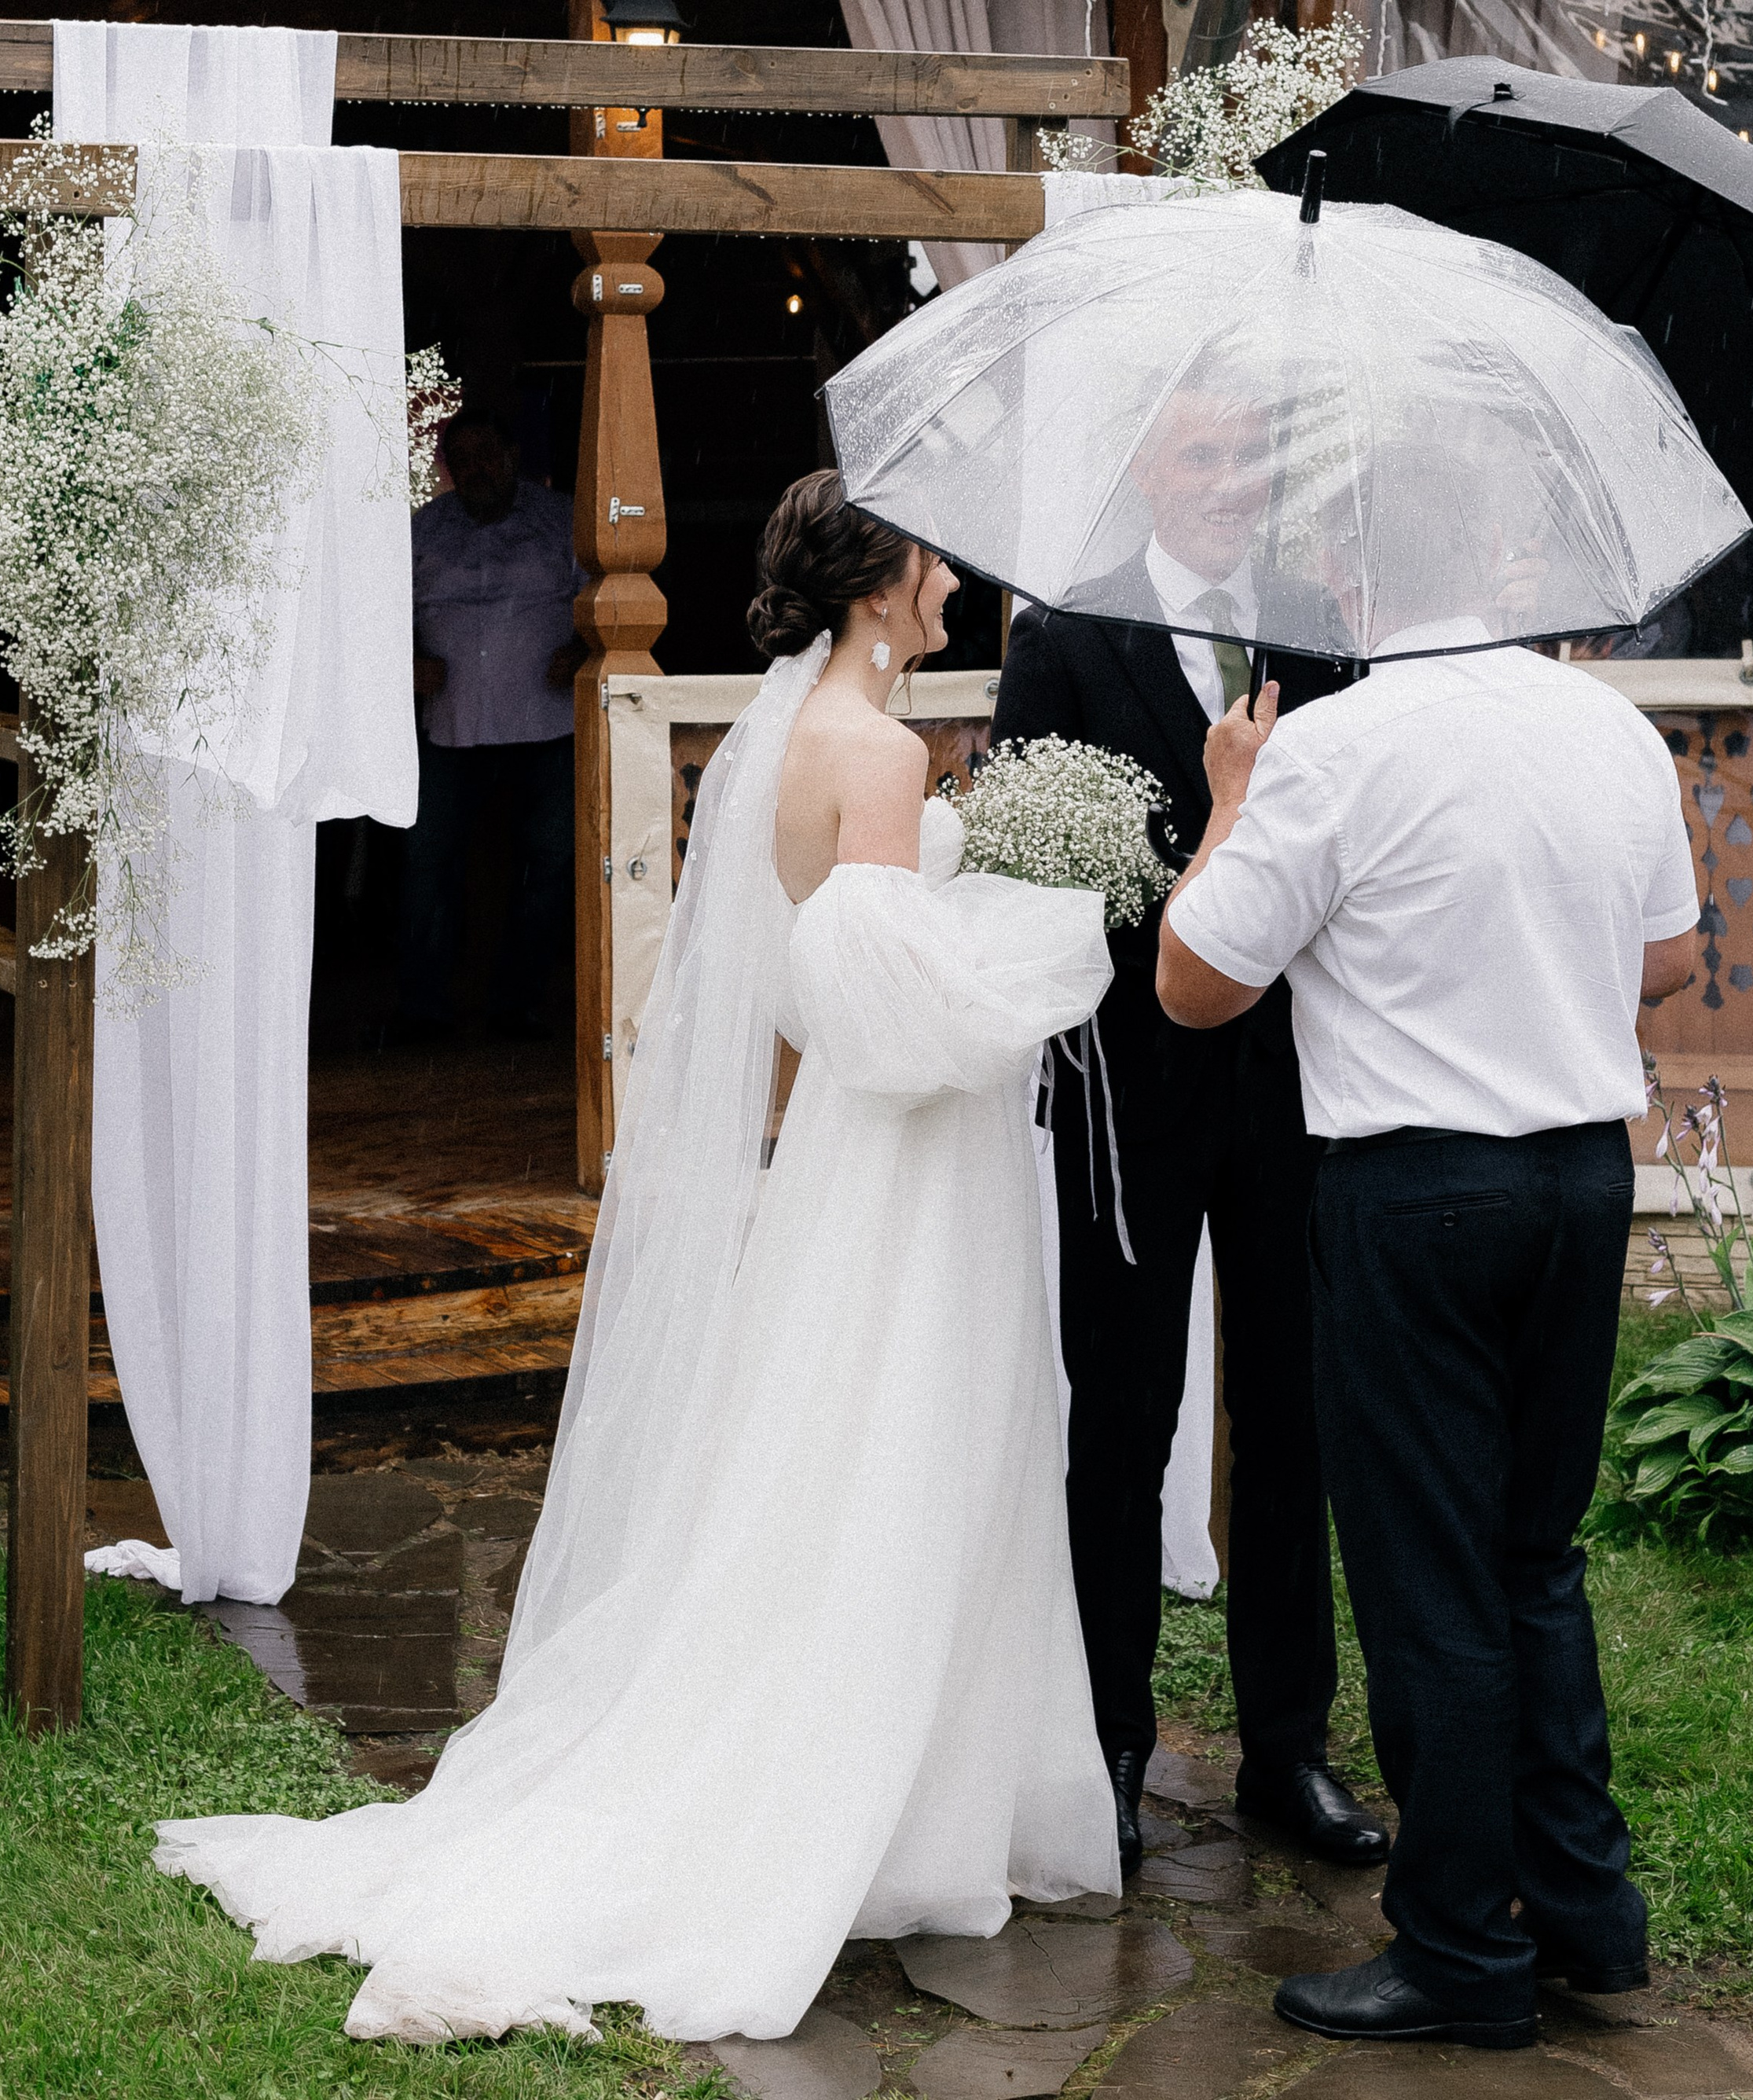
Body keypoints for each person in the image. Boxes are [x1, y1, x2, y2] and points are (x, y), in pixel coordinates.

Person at [154, 470, 1119, 2043]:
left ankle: (922, 1795)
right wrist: (1050, 951)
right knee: (897, 1455)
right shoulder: (872, 749)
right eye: (932, 558)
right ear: (883, 582)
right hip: (901, 1167)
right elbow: (883, 1004)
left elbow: (832, 968)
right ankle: (881, 1810)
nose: (953, 581)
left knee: (844, 1455)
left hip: (853, 1166)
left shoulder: (799, 732)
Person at [1156, 474, 1698, 2053]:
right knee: (1532, 1557)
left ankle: (1460, 1949)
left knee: (1425, 1579)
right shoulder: (1605, 726)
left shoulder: (1334, 745)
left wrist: (1230, 802)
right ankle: (1583, 1914)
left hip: (1414, 1197)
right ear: (1493, 561)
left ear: (1348, 574)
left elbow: (1196, 985)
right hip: (1580, 1181)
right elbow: (1667, 958)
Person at [992, 388, 1387, 1876]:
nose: (1230, 484)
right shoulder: (1065, 644)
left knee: (1294, 1413)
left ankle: (1289, 1751)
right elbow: (1033, 865)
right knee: (1126, 1417)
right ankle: (1109, 1747)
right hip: (1130, 1094)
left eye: (1249, 460)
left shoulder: (1321, 642)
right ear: (1145, 469)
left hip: (1301, 1083)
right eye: (1202, 458)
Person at [399, 407, 584, 1039]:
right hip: (449, 726)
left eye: (487, 454)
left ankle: (518, 1006)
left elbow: (607, 606)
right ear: (447, 466)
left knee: (551, 863)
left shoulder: (563, 521)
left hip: (548, 723)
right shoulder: (422, 530)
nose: (475, 467)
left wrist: (584, 652)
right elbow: (380, 618)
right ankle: (423, 1011)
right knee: (427, 865)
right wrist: (408, 662)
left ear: (512, 457)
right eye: (462, 457)